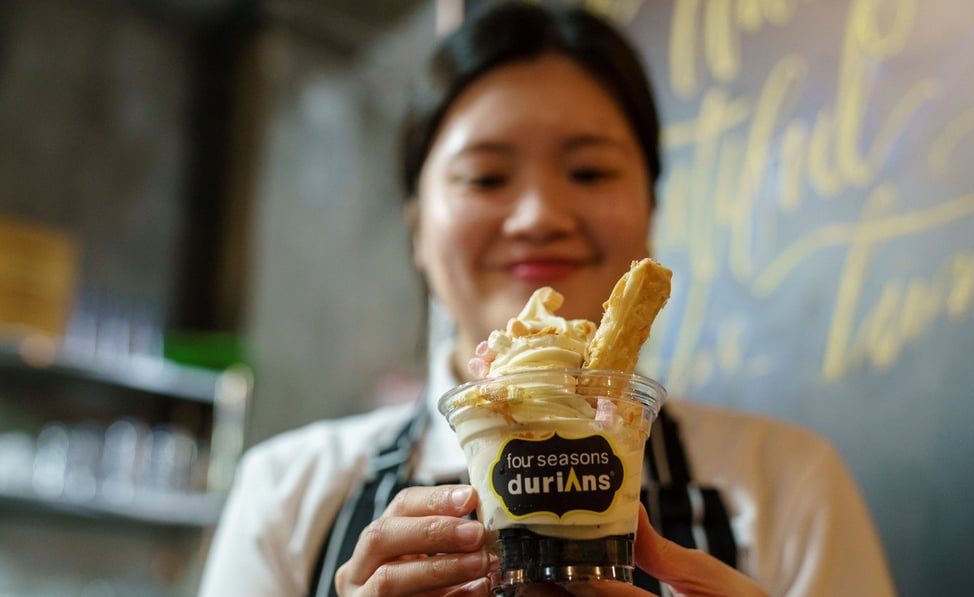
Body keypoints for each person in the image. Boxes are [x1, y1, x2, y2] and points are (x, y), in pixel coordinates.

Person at [198, 2, 896, 596]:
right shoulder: (288, 494)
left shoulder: (789, 488)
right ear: (417, 226)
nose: (537, 214)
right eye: (485, 177)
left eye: (589, 170)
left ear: (651, 205)